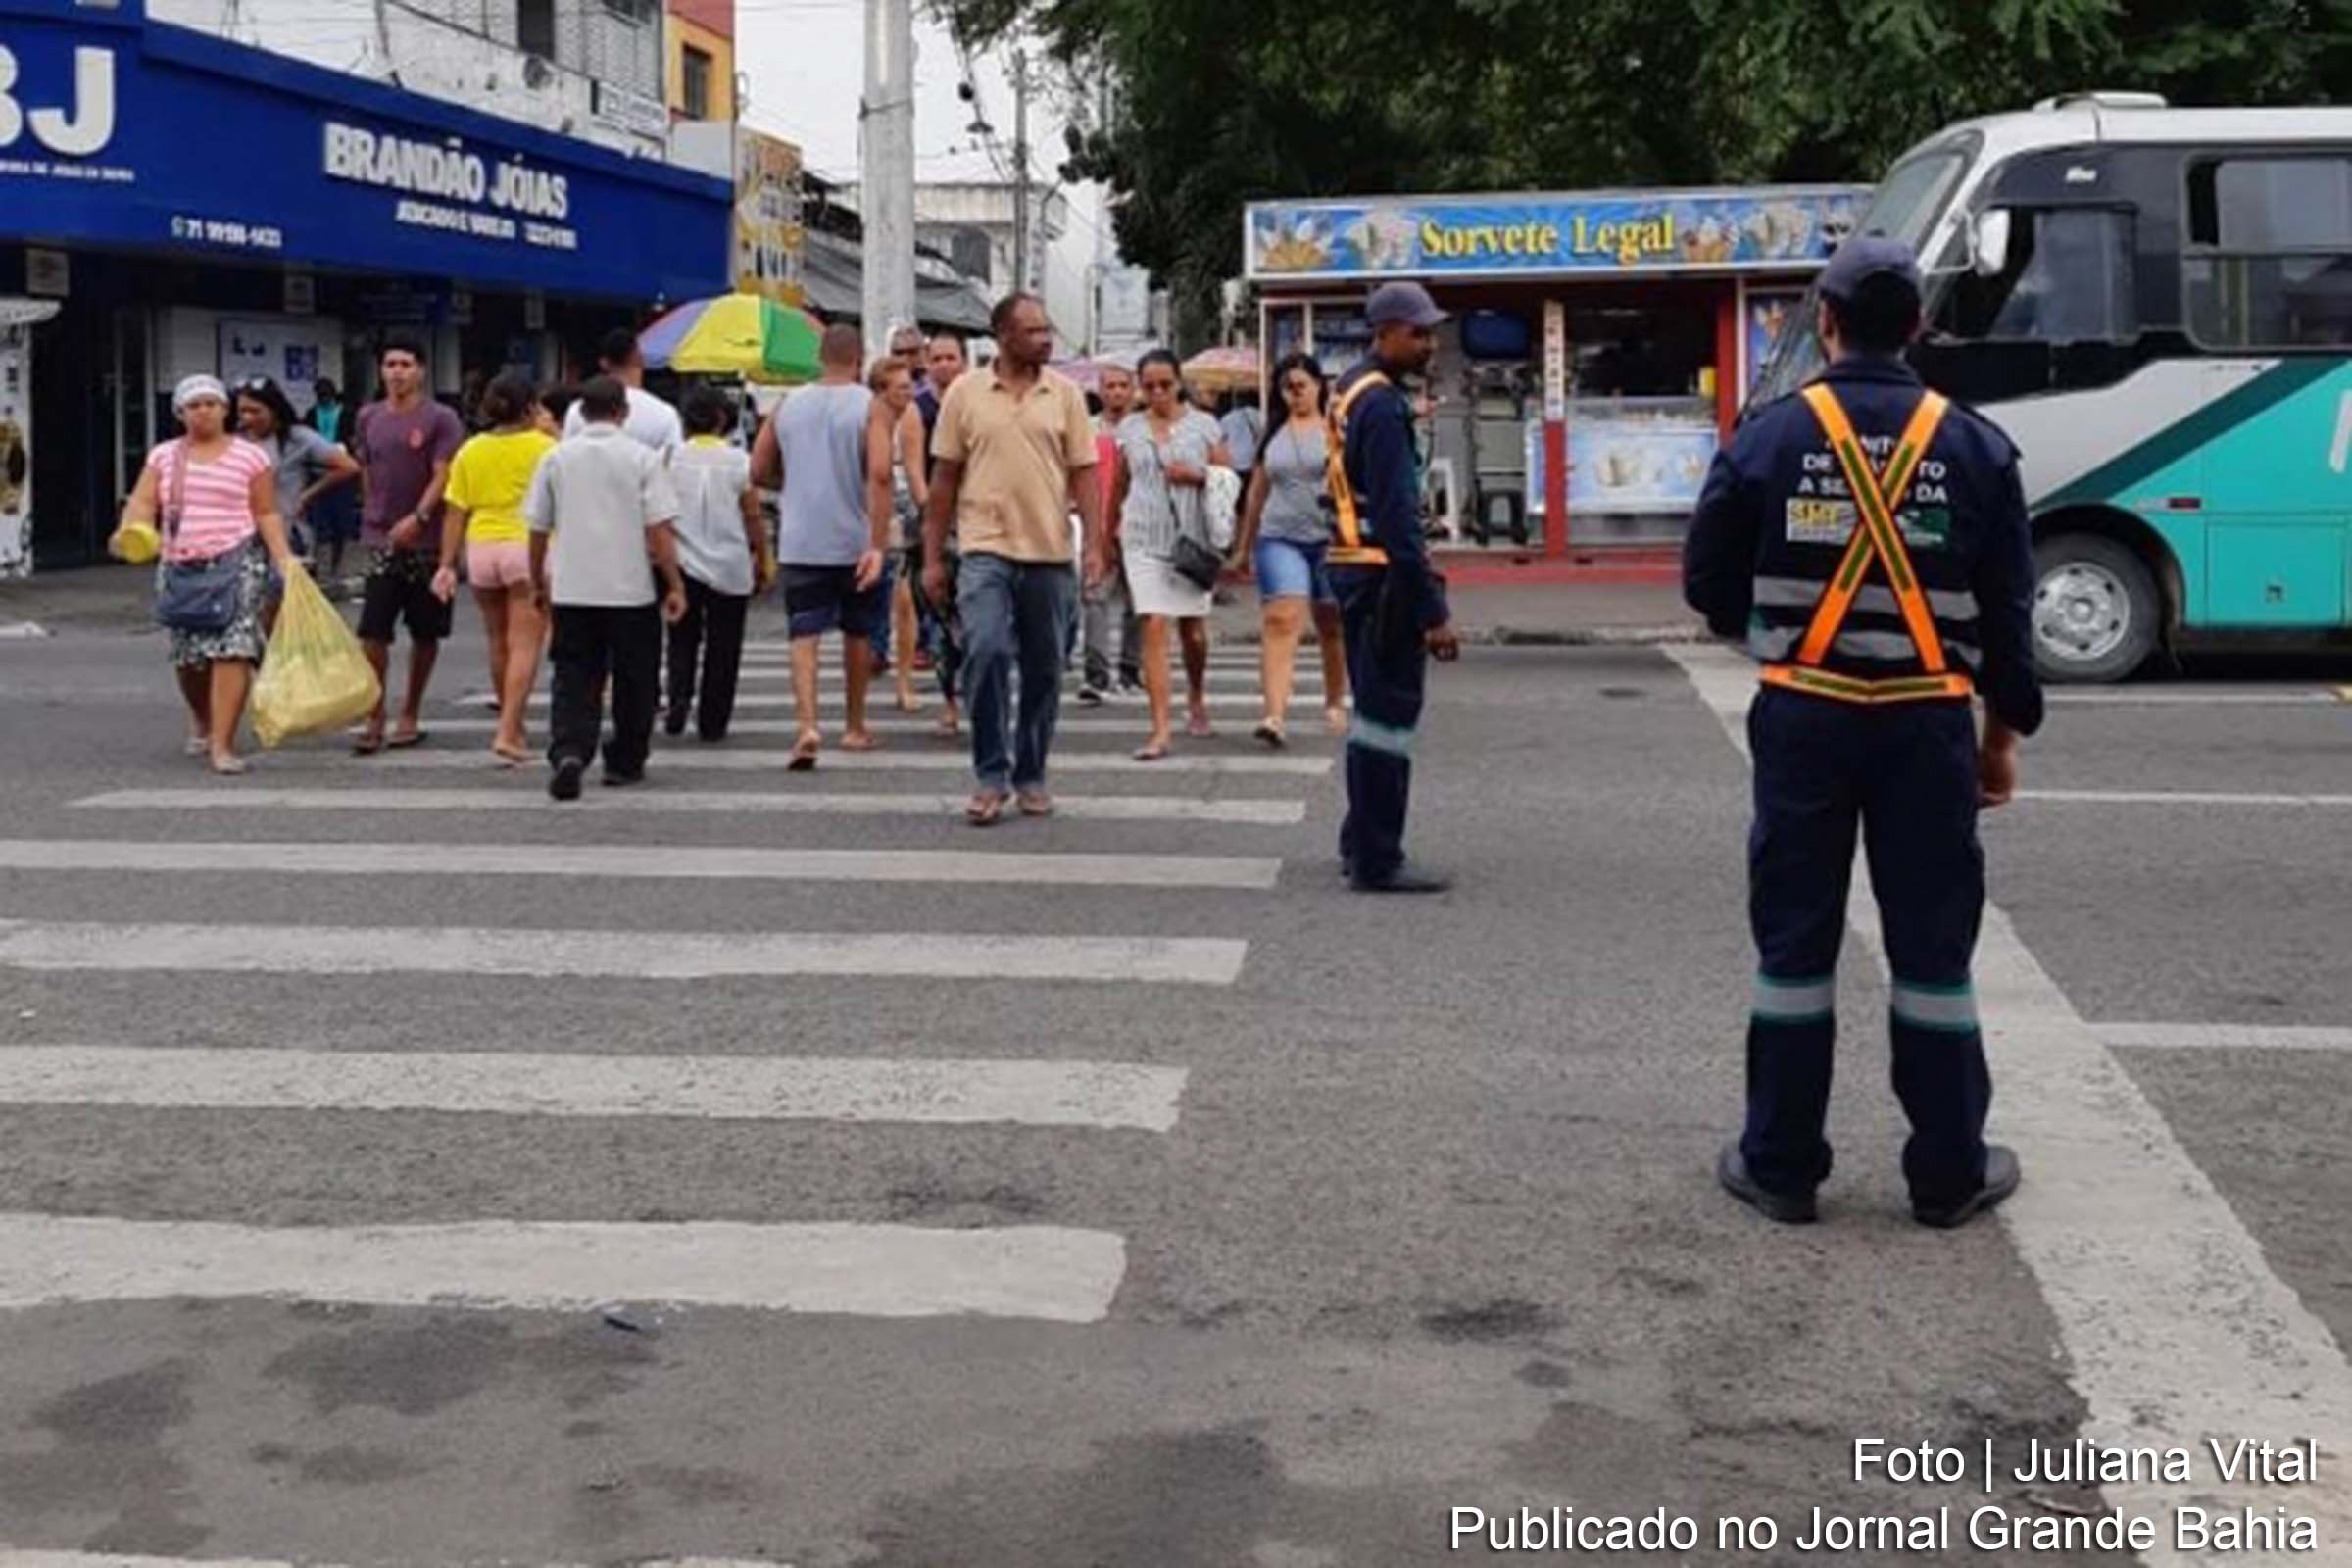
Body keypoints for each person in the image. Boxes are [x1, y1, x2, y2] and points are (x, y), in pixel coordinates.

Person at [1684, 236, 2045, 1231]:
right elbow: (2011, 618)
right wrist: (2000, 736)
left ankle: (1782, 1165)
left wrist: (1777, 639)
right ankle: (1946, 1172)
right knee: (1933, 949)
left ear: (1828, 325)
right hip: (1928, 720)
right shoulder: (1974, 445)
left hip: (1806, 715)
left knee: (1794, 940)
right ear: (1920, 328)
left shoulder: (1768, 437)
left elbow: (1706, 584)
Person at [921, 293, 1106, 825]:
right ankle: (990, 775)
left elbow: (1086, 476)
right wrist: (933, 558)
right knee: (986, 649)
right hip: (984, 548)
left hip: (1048, 551)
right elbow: (943, 483)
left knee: (1046, 669)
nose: (1046, 339)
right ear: (1003, 336)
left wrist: (1094, 545)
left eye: (1047, 329)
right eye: (1034, 331)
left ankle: (1031, 774)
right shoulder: (965, 394)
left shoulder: (1066, 394)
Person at [1328, 282, 1461, 894]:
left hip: (1355, 567)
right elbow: (1400, 519)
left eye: (1431, 331)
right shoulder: (1381, 405)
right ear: (1383, 332)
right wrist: (1432, 610)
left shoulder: (1351, 388)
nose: (1428, 343)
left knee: (1371, 715)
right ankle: (1379, 858)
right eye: (1418, 332)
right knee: (1387, 721)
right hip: (1383, 573)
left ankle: (1361, 838)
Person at [110, 375, 296, 775]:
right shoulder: (164, 457)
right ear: (180, 413)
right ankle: (203, 719)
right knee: (190, 658)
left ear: (225, 410)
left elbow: (265, 511)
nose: (204, 411)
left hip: (237, 561)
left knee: (233, 650)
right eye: (194, 405)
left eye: (211, 403)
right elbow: (142, 502)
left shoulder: (250, 457)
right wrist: (131, 530)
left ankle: (223, 745)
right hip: (181, 565)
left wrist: (284, 559)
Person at [526, 376, 688, 801]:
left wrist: (537, 580)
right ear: (623, 412)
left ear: (581, 412)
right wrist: (674, 583)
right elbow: (659, 529)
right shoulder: (642, 459)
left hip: (573, 585)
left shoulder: (556, 459)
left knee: (573, 673)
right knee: (636, 678)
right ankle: (625, 760)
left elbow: (538, 527)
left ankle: (570, 749)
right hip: (629, 588)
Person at [750, 323, 886, 769]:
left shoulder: (789, 404)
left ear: (820, 357)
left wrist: (789, 485)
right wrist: (878, 541)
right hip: (854, 540)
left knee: (803, 634)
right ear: (858, 358)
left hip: (800, 538)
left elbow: (757, 467)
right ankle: (854, 724)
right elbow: (880, 475)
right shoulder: (871, 405)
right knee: (858, 631)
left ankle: (807, 724)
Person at [430, 372, 556, 765]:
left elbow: (455, 511)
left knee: (497, 640)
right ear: (532, 407)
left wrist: (447, 563)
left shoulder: (471, 450)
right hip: (527, 549)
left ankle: (511, 724)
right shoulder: (548, 448)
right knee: (526, 643)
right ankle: (508, 730)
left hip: (481, 548)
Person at [1111, 350, 1230, 760]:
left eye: (1166, 384)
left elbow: (1228, 481)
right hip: (1142, 536)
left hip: (1191, 541)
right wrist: (1106, 534)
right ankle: (1160, 728)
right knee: (1154, 623)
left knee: (1192, 633)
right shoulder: (1129, 428)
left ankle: (1196, 693)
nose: (1158, 393)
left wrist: (1196, 477)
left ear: (1179, 382)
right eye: (1150, 386)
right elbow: (1120, 484)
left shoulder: (1205, 426)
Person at [351, 333, 465, 754]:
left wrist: (420, 515)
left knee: (425, 631)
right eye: (390, 364)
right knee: (373, 632)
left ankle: (411, 712)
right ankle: (374, 713)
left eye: (405, 364)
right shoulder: (368, 416)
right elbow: (365, 465)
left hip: (429, 540)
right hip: (380, 536)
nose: (397, 372)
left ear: (421, 370)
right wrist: (372, 511)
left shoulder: (441, 418)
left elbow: (444, 472)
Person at [1232, 352, 1348, 745]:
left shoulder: (1338, 430)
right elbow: (1256, 494)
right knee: (1282, 620)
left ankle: (1335, 699)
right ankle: (1274, 715)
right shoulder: (1274, 435)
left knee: (1331, 624)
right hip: (1280, 536)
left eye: (1301, 386)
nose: (1294, 394)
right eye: (1286, 388)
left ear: (1318, 386)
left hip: (1331, 539)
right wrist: (1243, 547)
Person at [665, 383, 769, 742]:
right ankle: (713, 720)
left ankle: (678, 695)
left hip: (681, 565)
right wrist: (764, 559)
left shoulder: (668, 458)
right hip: (730, 565)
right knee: (724, 646)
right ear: (723, 419)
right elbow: (753, 515)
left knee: (682, 637)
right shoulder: (739, 461)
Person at [236, 376, 359, 567]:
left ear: (274, 409)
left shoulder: (297, 438)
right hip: (243, 540)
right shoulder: (236, 441)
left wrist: (306, 496)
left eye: (255, 411)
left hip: (288, 535)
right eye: (243, 411)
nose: (247, 417)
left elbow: (348, 467)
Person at [868, 354, 930, 713]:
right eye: (902, 387)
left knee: (905, 600)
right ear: (881, 390)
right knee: (866, 596)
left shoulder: (910, 416)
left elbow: (915, 469)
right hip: (868, 506)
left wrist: (928, 513)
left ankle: (904, 679)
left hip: (903, 508)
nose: (910, 392)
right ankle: (871, 656)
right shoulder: (865, 414)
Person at [914, 332, 969, 731]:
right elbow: (918, 474)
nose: (944, 364)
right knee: (941, 620)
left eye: (951, 357)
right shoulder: (919, 410)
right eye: (937, 358)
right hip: (939, 527)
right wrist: (933, 517)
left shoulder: (975, 402)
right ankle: (950, 700)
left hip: (978, 522)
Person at [1078, 361, 1142, 704]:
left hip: (1139, 527)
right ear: (1100, 391)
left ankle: (1131, 670)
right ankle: (1097, 675)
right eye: (1110, 386)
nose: (1116, 392)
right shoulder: (1086, 429)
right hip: (1097, 524)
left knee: (1138, 602)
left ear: (1133, 391)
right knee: (1095, 598)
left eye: (1123, 385)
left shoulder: (1144, 429)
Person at [563, 328, 683, 454]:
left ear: (603, 363)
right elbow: (673, 465)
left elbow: (567, 457)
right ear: (639, 357)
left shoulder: (578, 410)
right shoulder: (664, 414)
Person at [303, 377, 362, 585]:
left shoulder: (348, 413)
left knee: (341, 524)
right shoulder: (311, 414)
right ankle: (323, 568)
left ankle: (338, 567)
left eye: (327, 396)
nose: (324, 400)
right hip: (319, 473)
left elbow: (356, 439)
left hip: (343, 472)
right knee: (320, 524)